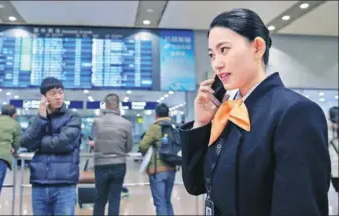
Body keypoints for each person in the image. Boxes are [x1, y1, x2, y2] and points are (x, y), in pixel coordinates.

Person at [179, 8, 331, 216]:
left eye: (224, 50)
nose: (217, 63)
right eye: (212, 55)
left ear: (257, 47)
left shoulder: (295, 113)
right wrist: (201, 123)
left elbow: (300, 206)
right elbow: (196, 184)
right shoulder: (226, 112)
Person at [20, 77, 82, 216]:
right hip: (40, 184)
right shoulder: (37, 119)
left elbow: (61, 143)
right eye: (53, 93)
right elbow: (25, 143)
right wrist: (41, 118)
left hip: (65, 184)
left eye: (60, 92)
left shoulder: (73, 117)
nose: (58, 97)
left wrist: (38, 144)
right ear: (44, 97)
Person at [90, 93, 133, 216]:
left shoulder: (97, 122)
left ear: (106, 105)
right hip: (119, 165)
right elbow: (129, 147)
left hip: (100, 165)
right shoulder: (127, 124)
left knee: (99, 200)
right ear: (118, 105)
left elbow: (92, 143)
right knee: (115, 200)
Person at [139, 103, 177, 215]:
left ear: (156, 115)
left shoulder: (155, 127)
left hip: (157, 170)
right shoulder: (173, 126)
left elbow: (143, 145)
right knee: (167, 201)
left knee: (160, 203)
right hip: (172, 168)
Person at [0, 105, 21, 214]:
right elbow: (17, 142)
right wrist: (14, 149)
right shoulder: (15, 124)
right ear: (14, 114)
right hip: (1, 157)